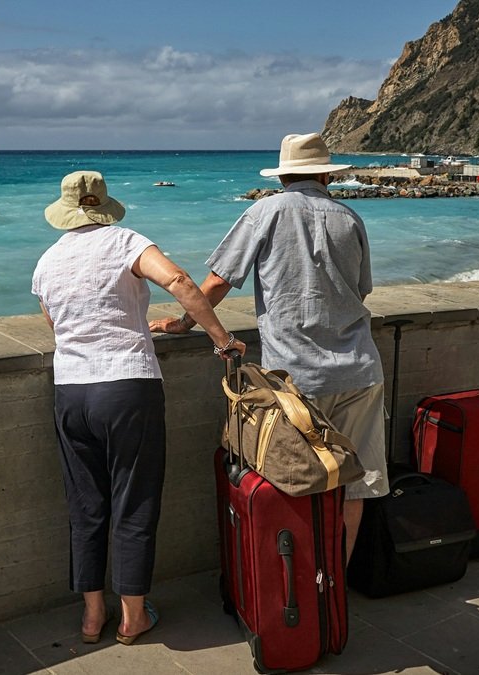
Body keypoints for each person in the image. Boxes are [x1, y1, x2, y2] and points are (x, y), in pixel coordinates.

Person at [32, 170, 246, 646]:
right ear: (104, 206)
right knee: (134, 500)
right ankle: (132, 616)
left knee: (85, 505)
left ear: (64, 212)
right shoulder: (126, 242)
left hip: (71, 391)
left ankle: (92, 616)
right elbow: (179, 280)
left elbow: (56, 325)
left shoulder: (47, 262)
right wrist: (222, 339)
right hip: (127, 385)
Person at [150, 133, 388, 561]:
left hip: (296, 379)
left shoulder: (265, 211)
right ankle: (337, 582)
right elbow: (361, 291)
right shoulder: (350, 218)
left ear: (282, 177)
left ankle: (301, 584)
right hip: (359, 370)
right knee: (356, 485)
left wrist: (184, 322)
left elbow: (218, 281)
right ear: (327, 176)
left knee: (296, 482)